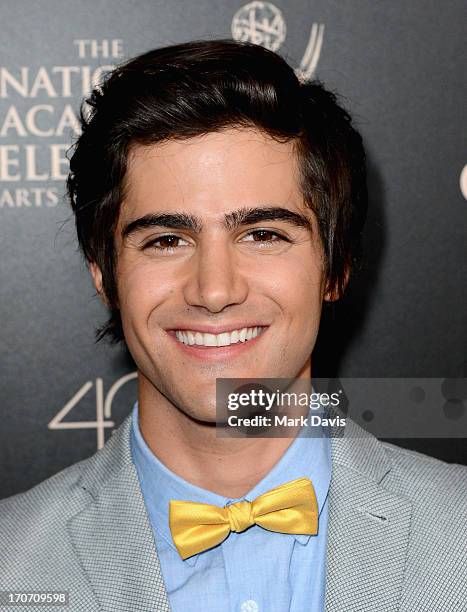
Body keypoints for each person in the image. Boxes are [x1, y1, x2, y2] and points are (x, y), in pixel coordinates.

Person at [0, 40, 465, 612]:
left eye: (264, 235)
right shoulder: (11, 565)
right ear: (104, 275)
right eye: (166, 240)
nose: (215, 290)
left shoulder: (457, 535)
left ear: (336, 268)